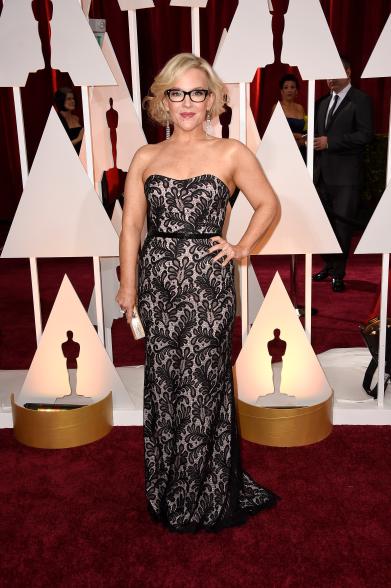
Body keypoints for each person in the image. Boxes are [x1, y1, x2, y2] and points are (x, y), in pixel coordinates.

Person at [116, 53, 279, 532]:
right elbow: (131, 226)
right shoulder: (146, 157)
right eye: (176, 92)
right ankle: (167, 484)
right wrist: (128, 285)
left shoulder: (231, 153)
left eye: (197, 92)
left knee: (203, 385)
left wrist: (241, 247)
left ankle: (200, 494)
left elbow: (268, 204)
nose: (187, 102)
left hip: (208, 286)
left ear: (212, 100)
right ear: (163, 100)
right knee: (164, 384)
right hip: (159, 284)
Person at [312, 57, 373, 292]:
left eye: (333, 72)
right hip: (321, 176)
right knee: (322, 224)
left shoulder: (361, 100)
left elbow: (365, 135)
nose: (329, 78)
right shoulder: (321, 102)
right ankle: (329, 264)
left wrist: (331, 142)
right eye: (326, 73)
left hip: (347, 177)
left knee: (342, 226)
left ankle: (339, 272)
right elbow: (318, 135)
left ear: (348, 71)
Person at [273, 73, 307, 159]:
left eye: (292, 87)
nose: (289, 90)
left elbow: (305, 130)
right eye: (286, 87)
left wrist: (303, 139)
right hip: (283, 149)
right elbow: (277, 132)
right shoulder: (277, 107)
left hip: (301, 149)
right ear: (281, 91)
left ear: (296, 91)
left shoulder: (300, 108)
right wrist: (299, 136)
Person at [54, 87, 84, 154]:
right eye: (69, 99)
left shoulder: (77, 118)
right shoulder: (57, 120)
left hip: (82, 156)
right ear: (61, 100)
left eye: (73, 98)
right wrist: (79, 138)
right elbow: (60, 147)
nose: (73, 101)